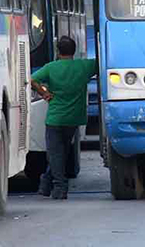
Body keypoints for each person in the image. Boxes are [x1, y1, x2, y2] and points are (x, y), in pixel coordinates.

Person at [31, 36, 97, 199]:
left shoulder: (51, 68)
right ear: (74, 51)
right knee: (61, 152)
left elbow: (32, 79)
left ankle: (60, 188)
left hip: (55, 118)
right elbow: (102, 61)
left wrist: (44, 92)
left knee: (55, 154)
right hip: (74, 118)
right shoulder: (84, 66)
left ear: (58, 51)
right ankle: (45, 184)